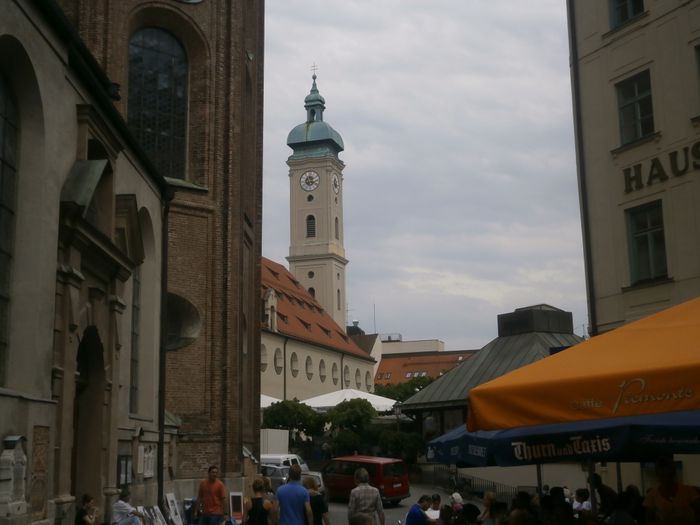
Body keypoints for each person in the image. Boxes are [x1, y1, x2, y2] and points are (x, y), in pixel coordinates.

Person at [644, 456, 700, 525]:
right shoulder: (651, 495)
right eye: (663, 476)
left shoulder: (688, 490)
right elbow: (648, 520)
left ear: (673, 474)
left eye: (669, 475)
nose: (666, 479)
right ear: (658, 475)